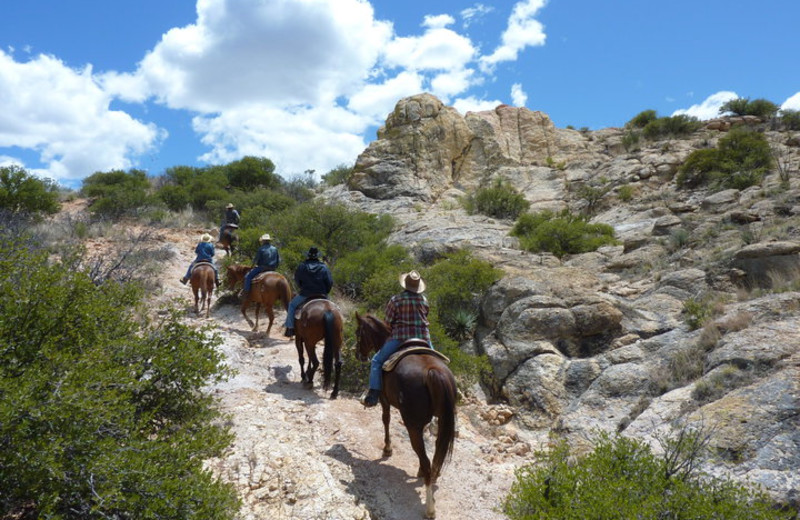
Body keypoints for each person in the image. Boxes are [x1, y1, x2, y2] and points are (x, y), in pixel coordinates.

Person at [362, 270, 431, 407]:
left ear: (405, 285)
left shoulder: (396, 300)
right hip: (424, 337)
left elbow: (387, 322)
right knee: (440, 361)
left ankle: (374, 394)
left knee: (376, 361)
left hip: (400, 338)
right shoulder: (424, 300)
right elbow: (426, 315)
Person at [283, 247, 333, 338]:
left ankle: (290, 328)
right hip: (322, 294)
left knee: (292, 305)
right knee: (334, 309)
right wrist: (325, 292)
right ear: (318, 256)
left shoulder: (302, 266)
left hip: (306, 294)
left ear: (308, 255)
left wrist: (302, 288)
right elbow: (329, 282)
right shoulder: (324, 267)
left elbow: (298, 280)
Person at [241, 233, 280, 297]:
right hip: (273, 268)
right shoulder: (275, 249)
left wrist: (252, 266)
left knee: (247, 276)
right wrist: (275, 267)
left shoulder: (261, 249)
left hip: (262, 268)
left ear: (264, 241)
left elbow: (256, 259)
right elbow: (278, 260)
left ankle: (246, 292)